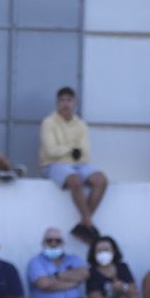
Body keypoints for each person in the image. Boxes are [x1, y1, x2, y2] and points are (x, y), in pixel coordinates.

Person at [41, 86, 107, 243]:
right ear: (57, 103)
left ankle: (84, 223)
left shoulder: (81, 124)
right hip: (53, 164)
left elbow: (85, 153)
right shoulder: (48, 122)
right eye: (62, 100)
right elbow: (51, 151)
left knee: (101, 180)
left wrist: (68, 152)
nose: (66, 104)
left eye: (69, 100)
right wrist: (72, 150)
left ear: (75, 103)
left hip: (78, 164)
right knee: (74, 180)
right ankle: (88, 223)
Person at [25, 226, 90, 298]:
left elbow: (85, 274)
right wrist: (73, 282)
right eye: (49, 240)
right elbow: (43, 284)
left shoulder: (73, 259)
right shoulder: (35, 262)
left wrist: (57, 276)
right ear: (43, 243)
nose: (53, 243)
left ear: (63, 243)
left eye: (57, 241)